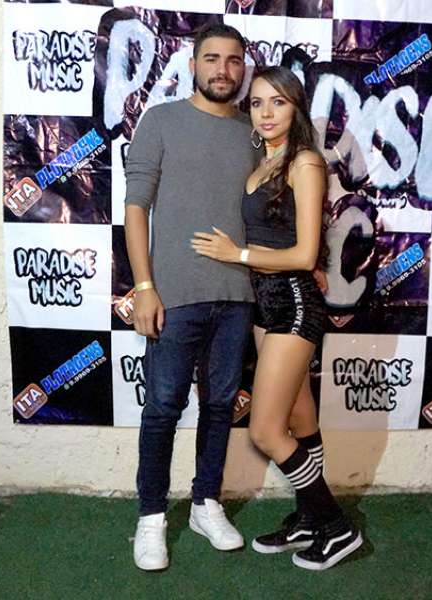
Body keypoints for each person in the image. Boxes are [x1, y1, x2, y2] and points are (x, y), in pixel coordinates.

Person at [191, 66, 363, 571]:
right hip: (264, 305)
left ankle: (336, 526)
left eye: (279, 102)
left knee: (266, 431)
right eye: (258, 102)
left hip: (293, 303)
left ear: (296, 108)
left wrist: (237, 255)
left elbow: (304, 252)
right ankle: (309, 518)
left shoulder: (305, 162)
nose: (266, 112)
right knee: (300, 418)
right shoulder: (262, 162)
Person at [124, 23, 258, 571]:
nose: (223, 69)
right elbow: (136, 208)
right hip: (174, 294)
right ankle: (151, 517)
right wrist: (144, 287)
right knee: (162, 407)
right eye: (212, 58)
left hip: (238, 295)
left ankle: (206, 504)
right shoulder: (161, 120)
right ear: (193, 64)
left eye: (233, 60)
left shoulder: (255, 132)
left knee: (222, 405)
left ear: (243, 68)